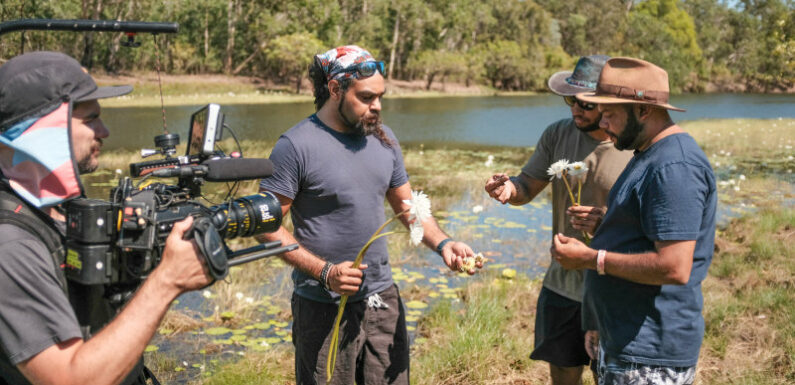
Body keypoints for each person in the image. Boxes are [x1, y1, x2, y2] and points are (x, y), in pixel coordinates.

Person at [257, 45, 476, 385]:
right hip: (322, 305)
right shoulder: (296, 145)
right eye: (366, 97)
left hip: (382, 298)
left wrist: (443, 243)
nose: (377, 106)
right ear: (335, 89)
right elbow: (266, 224)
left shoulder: (384, 140)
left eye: (380, 97)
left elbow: (407, 208)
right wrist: (324, 271)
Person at [0, 51, 213, 385]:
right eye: (91, 119)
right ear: (44, 130)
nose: (106, 131)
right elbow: (69, 379)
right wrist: (167, 280)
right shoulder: (10, 244)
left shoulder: (60, 204)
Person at [552, 57, 717, 385]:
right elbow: (643, 236)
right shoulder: (647, 155)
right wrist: (607, 225)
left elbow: (674, 266)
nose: (604, 122)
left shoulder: (674, 166)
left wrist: (590, 258)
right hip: (624, 339)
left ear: (644, 110)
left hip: (649, 353)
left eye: (610, 113)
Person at [484, 55, 632, 385]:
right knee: (563, 375)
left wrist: (605, 221)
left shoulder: (634, 146)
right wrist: (508, 189)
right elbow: (527, 185)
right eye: (570, 100)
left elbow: (647, 223)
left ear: (608, 104)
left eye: (585, 103)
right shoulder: (557, 135)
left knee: (609, 375)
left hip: (613, 286)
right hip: (562, 284)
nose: (575, 109)